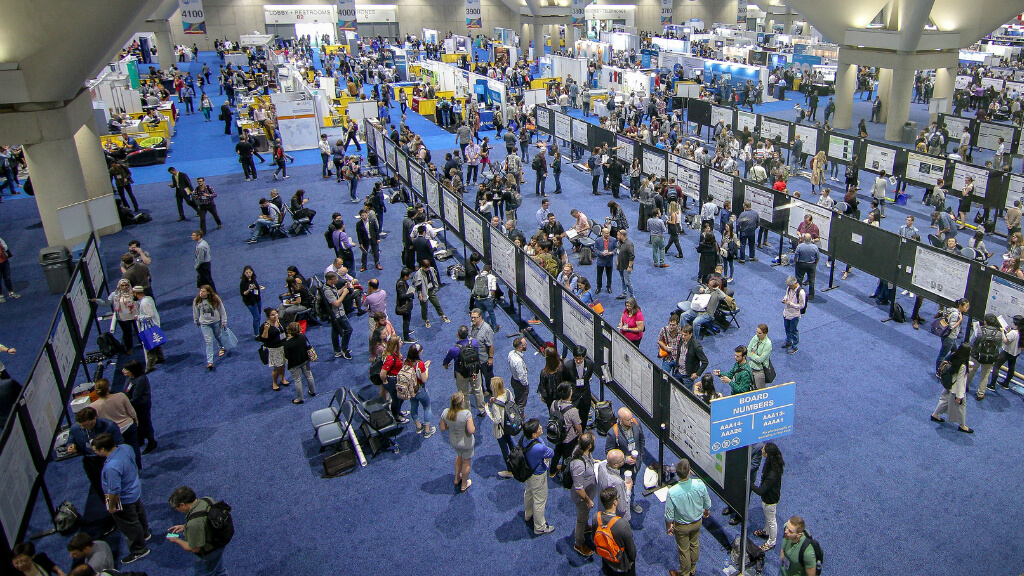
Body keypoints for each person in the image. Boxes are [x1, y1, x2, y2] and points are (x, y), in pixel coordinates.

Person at [91, 433, 150, 564]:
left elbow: (114, 491)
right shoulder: (126, 447)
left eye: (95, 450)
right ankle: (145, 534)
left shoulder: (111, 467)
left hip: (123, 499)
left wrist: (112, 507)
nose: (94, 452)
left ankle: (139, 549)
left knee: (129, 523)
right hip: (134, 489)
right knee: (139, 513)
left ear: (102, 449)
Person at [167, 486, 230, 576]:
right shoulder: (207, 500)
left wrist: (177, 540)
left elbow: (195, 548)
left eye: (176, 507)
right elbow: (207, 520)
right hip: (219, 543)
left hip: (208, 554)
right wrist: (186, 527)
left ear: (182, 505)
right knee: (220, 570)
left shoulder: (194, 524)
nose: (177, 510)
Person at [664, 459, 711, 576]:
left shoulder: (672, 492)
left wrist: (669, 527)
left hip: (682, 526)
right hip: (697, 522)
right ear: (689, 472)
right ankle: (692, 571)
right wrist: (706, 511)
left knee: (684, 551)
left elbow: (669, 515)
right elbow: (707, 502)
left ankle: (684, 574)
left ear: (677, 473)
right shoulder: (699, 484)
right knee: (695, 544)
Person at [90, 378, 141, 467]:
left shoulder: (93, 406)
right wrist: (135, 420)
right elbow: (131, 411)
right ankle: (137, 468)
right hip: (128, 426)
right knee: (133, 447)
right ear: (108, 388)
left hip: (112, 433)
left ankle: (125, 469)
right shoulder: (121, 396)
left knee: (118, 453)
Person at [605, 408, 645, 514]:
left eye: (631, 417)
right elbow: (609, 453)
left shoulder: (636, 423)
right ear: (621, 420)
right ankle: (619, 508)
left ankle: (631, 503)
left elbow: (641, 440)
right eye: (628, 419)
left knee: (632, 484)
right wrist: (625, 459)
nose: (631, 421)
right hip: (622, 468)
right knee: (621, 488)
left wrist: (640, 456)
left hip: (635, 464)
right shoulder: (613, 433)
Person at [591, 486, 638, 576]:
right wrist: (632, 560)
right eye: (618, 497)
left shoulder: (596, 517)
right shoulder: (622, 524)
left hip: (606, 559)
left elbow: (594, 538)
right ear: (615, 502)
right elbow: (631, 550)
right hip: (621, 565)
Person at [521, 418, 556, 535]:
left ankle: (528, 514)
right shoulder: (539, 447)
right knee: (540, 500)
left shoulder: (524, 439)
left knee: (528, 493)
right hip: (538, 475)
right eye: (539, 428)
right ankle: (539, 527)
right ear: (534, 434)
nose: (541, 428)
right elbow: (551, 453)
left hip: (528, 472)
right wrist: (540, 442)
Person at [568, 432, 599, 557]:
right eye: (594, 441)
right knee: (581, 520)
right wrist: (587, 500)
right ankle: (579, 543)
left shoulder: (584, 451)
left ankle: (586, 527)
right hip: (582, 498)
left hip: (589, 492)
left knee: (585, 516)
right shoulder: (579, 465)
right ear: (589, 446)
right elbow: (579, 488)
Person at [442, 325, 485, 415]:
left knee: (464, 394)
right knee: (478, 389)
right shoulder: (474, 342)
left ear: (457, 334)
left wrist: (446, 365)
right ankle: (482, 410)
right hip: (474, 371)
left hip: (461, 374)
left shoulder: (454, 349)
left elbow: (446, 361)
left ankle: (467, 414)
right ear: (468, 333)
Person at [439, 391, 476, 492]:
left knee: (459, 456)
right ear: (461, 402)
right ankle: (464, 484)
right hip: (466, 443)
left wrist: (451, 426)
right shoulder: (466, 414)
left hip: (453, 442)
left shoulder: (446, 412)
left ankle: (456, 479)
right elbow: (471, 430)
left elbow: (442, 428)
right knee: (466, 462)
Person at [751, 443, 784, 552]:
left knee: (771, 520)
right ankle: (766, 531)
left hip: (770, 500)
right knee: (768, 517)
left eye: (764, 450)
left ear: (768, 454)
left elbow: (760, 491)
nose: (762, 450)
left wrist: (749, 483)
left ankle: (771, 542)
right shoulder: (774, 463)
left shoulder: (772, 473)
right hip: (769, 498)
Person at [549, 382, 583, 477]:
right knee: (567, 457)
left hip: (557, 434)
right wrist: (581, 435)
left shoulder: (554, 403)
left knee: (557, 452)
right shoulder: (573, 410)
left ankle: (552, 470)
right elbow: (578, 426)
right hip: (568, 439)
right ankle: (565, 475)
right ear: (570, 393)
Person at [193, 285, 230, 370]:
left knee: (218, 336)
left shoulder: (215, 299)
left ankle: (221, 347)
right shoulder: (197, 300)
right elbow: (195, 312)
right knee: (208, 341)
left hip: (216, 322)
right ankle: (210, 361)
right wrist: (196, 321)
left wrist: (224, 321)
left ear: (208, 292)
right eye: (200, 291)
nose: (201, 293)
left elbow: (222, 310)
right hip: (205, 324)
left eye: (203, 291)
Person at [969, 314, 1003, 400]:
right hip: (990, 357)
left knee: (971, 371)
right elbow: (999, 346)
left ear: (985, 321)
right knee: (985, 376)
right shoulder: (999, 333)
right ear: (995, 323)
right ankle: (980, 394)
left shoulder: (979, 330)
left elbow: (971, 342)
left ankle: (964, 387)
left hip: (976, 354)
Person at [560, 345, 594, 427]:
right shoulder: (567, 366)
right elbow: (565, 381)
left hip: (585, 395)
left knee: (584, 417)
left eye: (581, 358)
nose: (578, 361)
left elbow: (588, 377)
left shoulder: (589, 364)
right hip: (573, 396)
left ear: (584, 357)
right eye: (576, 358)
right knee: (572, 418)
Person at [322, 272, 354, 360]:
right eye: (335, 279)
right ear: (329, 280)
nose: (337, 280)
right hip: (337, 314)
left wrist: (344, 288)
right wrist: (344, 293)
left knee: (335, 331)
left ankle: (337, 350)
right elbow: (336, 303)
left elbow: (336, 294)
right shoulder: (327, 291)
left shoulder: (331, 286)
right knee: (348, 329)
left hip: (335, 314)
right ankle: (344, 349)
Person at [283, 321, 316, 405]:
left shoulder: (287, 343)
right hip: (304, 360)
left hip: (294, 364)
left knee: (297, 380)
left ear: (289, 331)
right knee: (309, 375)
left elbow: (286, 356)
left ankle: (300, 398)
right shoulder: (302, 336)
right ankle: (312, 391)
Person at [257, 308, 289, 391]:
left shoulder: (280, 321)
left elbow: (285, 330)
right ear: (268, 317)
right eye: (272, 315)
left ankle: (282, 378)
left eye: (276, 313)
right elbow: (263, 339)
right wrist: (266, 330)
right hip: (274, 349)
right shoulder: (264, 326)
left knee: (283, 365)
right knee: (277, 367)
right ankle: (274, 382)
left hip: (283, 346)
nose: (275, 316)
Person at [412, 259, 449, 328]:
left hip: (431, 290)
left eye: (428, 267)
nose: (427, 269)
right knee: (424, 307)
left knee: (436, 303)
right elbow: (417, 285)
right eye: (426, 268)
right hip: (423, 291)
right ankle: (426, 319)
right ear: (422, 267)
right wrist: (419, 294)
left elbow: (434, 278)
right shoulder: (418, 274)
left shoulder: (431, 269)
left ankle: (442, 315)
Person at [990, 315, 1023, 391]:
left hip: (1008, 352)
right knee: (1011, 367)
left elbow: (1006, 341)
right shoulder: (1021, 332)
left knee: (996, 365)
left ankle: (992, 385)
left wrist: (1003, 332)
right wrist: (1009, 331)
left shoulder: (1014, 333)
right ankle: (1006, 383)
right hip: (1016, 353)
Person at [935, 298, 968, 374]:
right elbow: (951, 327)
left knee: (955, 351)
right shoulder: (956, 314)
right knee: (942, 355)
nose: (967, 308)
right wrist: (960, 320)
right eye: (966, 306)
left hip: (950, 337)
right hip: (949, 337)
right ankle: (939, 371)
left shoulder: (953, 311)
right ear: (960, 306)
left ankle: (944, 364)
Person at [782, 276, 806, 354]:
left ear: (794, 284)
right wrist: (785, 299)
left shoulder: (801, 293)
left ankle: (794, 346)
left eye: (790, 285)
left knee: (794, 331)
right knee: (787, 328)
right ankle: (789, 341)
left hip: (794, 315)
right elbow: (787, 295)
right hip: (786, 312)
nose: (789, 287)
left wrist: (791, 304)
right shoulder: (789, 288)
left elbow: (802, 305)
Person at [793, 234, 819, 300]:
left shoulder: (800, 246)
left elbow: (796, 256)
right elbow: (817, 258)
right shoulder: (815, 247)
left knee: (799, 279)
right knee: (811, 280)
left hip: (801, 264)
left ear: (804, 239)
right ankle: (811, 294)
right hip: (811, 265)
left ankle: (798, 293)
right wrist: (815, 264)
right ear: (811, 239)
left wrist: (796, 263)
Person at [747, 324, 773, 389]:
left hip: (760, 370)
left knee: (759, 390)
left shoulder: (768, 344)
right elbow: (747, 351)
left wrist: (752, 354)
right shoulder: (755, 338)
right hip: (750, 366)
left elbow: (760, 360)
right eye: (757, 332)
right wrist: (755, 356)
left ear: (765, 333)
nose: (757, 334)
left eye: (759, 333)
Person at [595, 227, 617, 294]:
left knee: (609, 275)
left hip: (609, 260)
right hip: (601, 260)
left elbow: (616, 248)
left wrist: (612, 253)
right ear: (602, 233)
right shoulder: (598, 240)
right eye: (606, 233)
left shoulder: (613, 240)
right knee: (599, 275)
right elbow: (595, 250)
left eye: (608, 233)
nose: (607, 234)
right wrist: (601, 253)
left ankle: (609, 287)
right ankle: (599, 287)